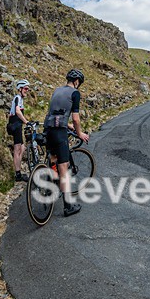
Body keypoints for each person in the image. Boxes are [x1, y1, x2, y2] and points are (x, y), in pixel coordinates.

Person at [44, 69, 90, 217]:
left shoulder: (57, 90)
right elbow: (76, 118)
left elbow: (55, 112)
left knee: (53, 158)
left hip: (48, 129)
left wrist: (68, 125)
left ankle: (50, 187)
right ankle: (68, 206)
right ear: (76, 82)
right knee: (63, 167)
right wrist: (79, 133)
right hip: (59, 132)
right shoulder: (75, 93)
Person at [7, 79, 31, 182]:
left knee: (22, 148)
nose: (27, 91)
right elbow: (17, 111)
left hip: (17, 125)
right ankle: (18, 174)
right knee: (17, 149)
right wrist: (26, 121)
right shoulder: (17, 97)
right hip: (15, 125)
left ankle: (19, 171)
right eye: (25, 89)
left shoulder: (20, 99)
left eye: (28, 89)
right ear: (20, 89)